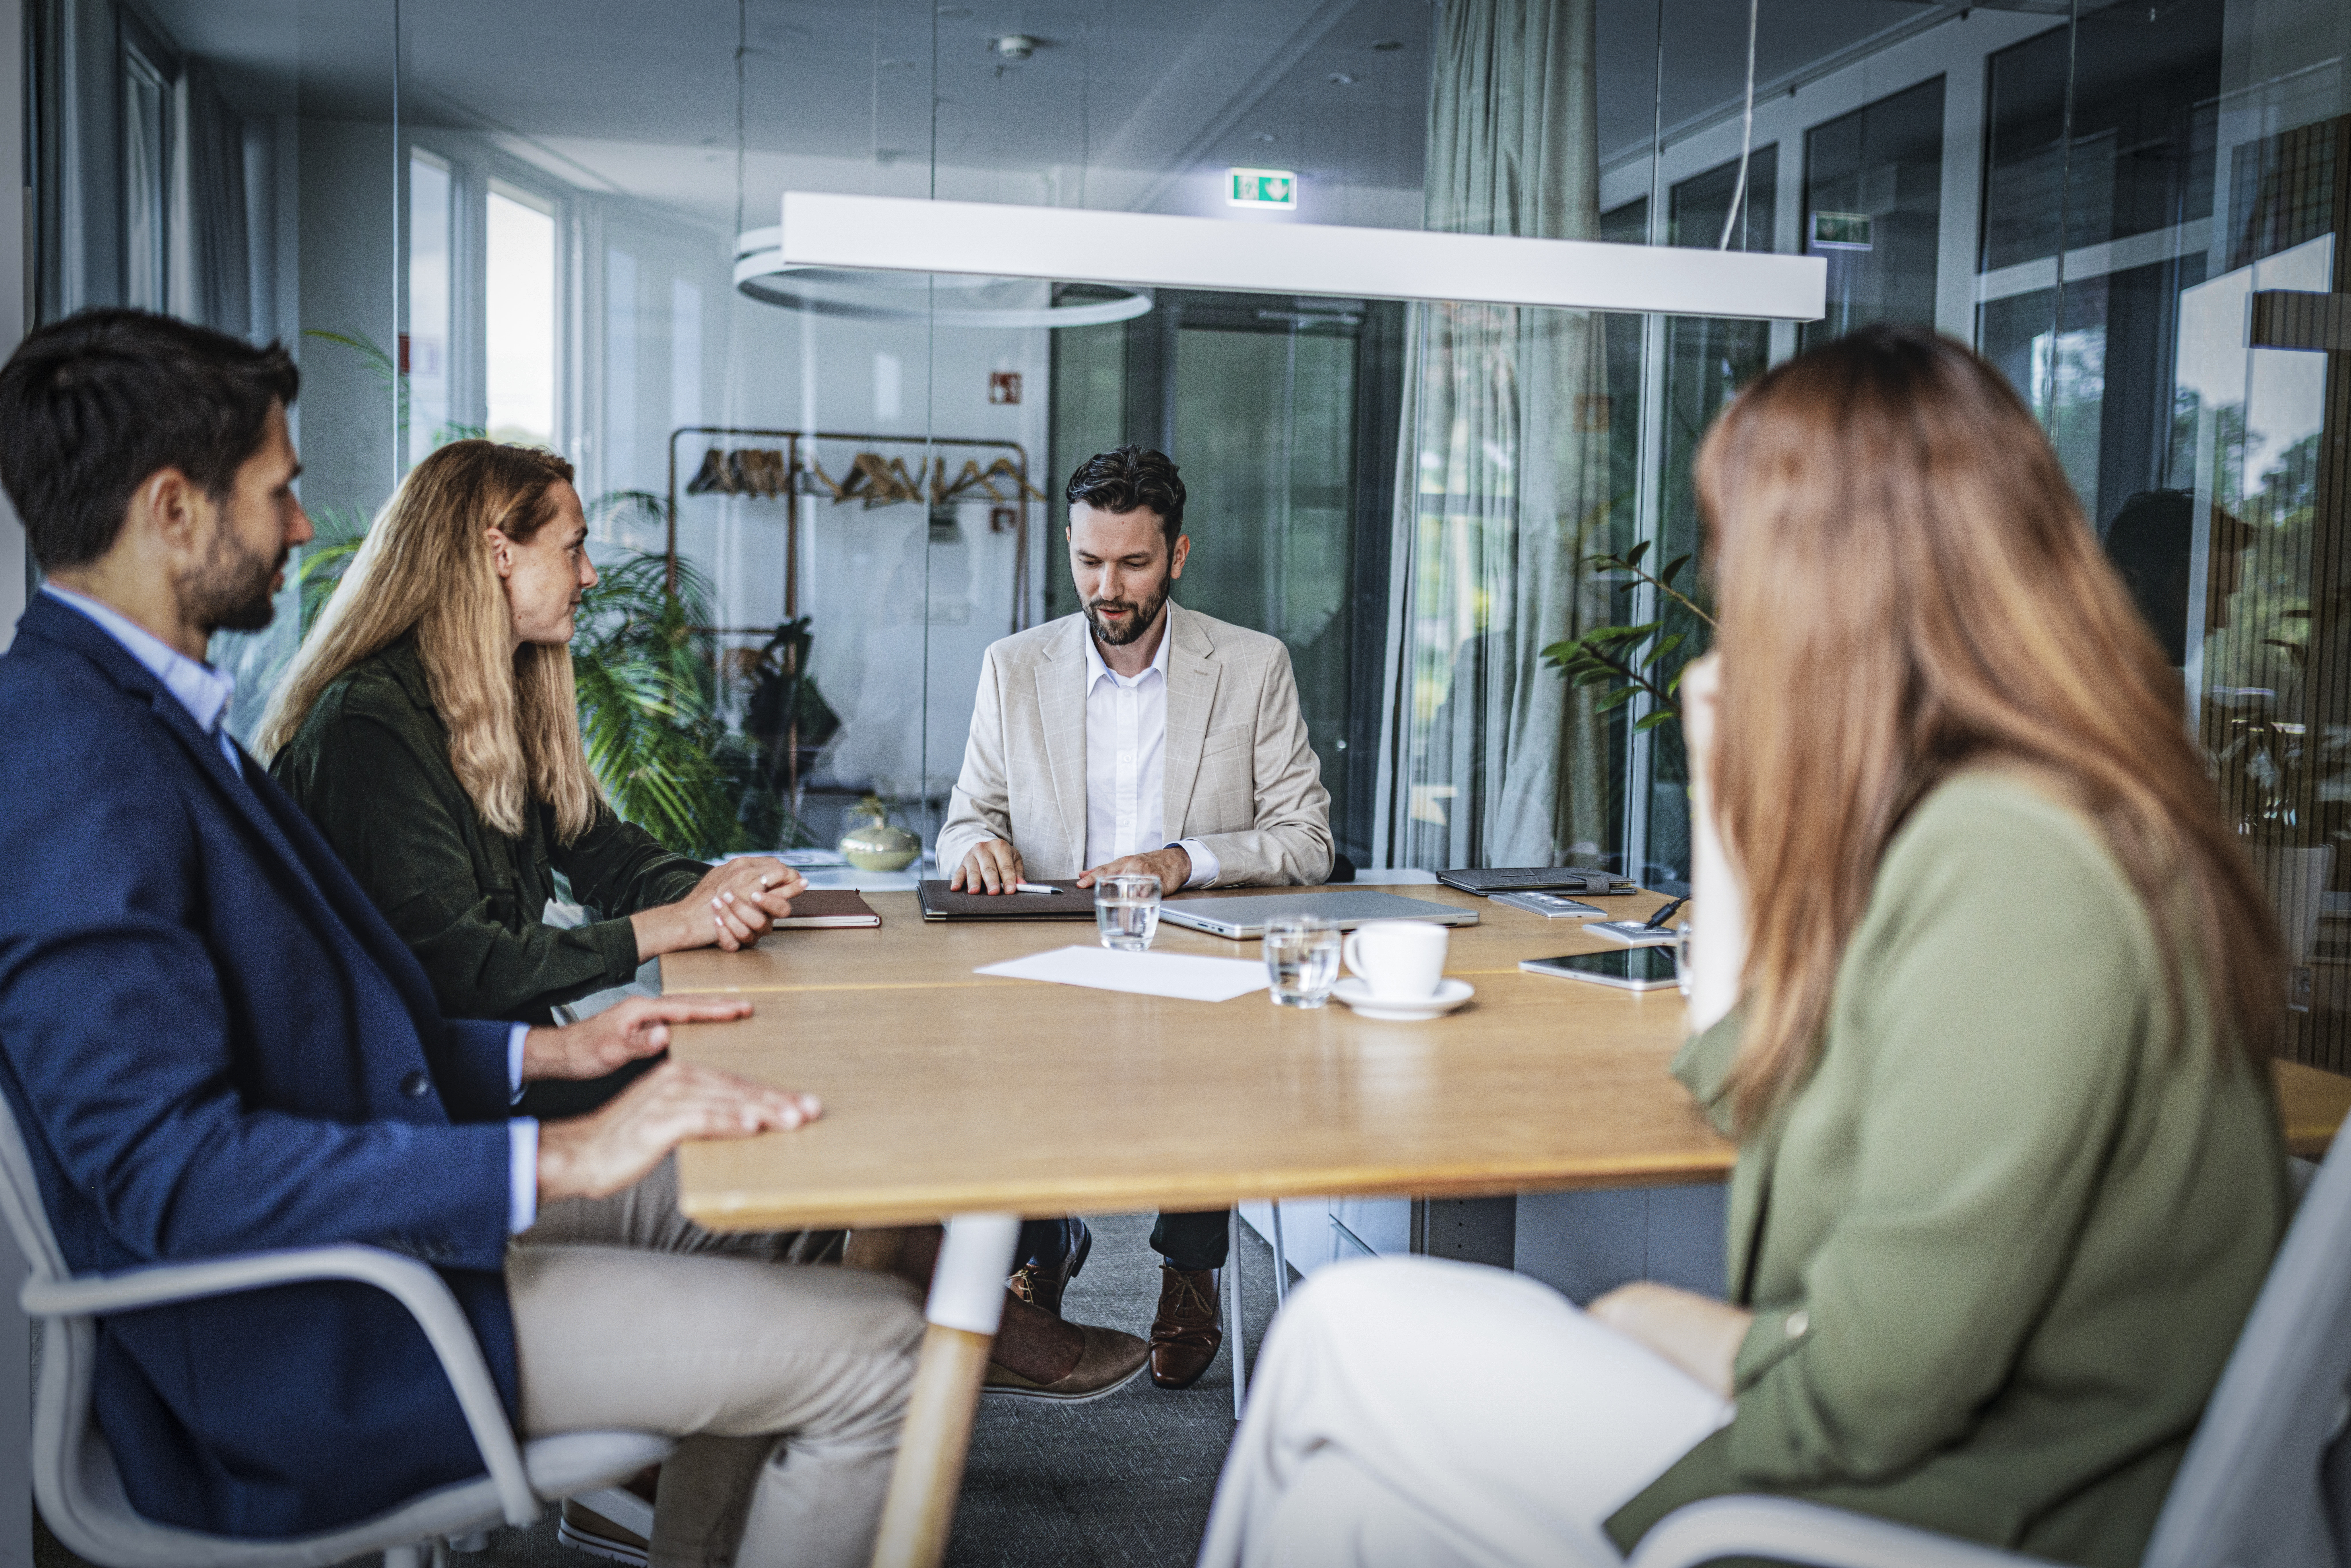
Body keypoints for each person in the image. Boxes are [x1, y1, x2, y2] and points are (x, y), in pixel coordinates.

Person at [1198, 325, 2290, 1568]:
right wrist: (1726, 795)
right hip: (1945, 1446)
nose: (1731, 604)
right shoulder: (2018, 808)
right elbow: (1745, 1069)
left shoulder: (2016, 861)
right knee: (1349, 1508)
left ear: (1832, 577)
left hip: (1965, 1498)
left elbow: (1869, 1387)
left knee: (1343, 1329)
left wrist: (1690, 1330)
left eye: (1744, 559)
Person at [0, 309, 926, 1568]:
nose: (300, 529)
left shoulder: (143, 715)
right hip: (321, 1325)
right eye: (276, 494)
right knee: (883, 1355)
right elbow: (170, 1173)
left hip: (389, 1222)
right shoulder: (71, 751)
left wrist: (543, 1063)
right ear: (172, 508)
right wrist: (560, 1158)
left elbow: (308, 1026)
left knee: (773, 1176)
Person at [253, 439, 1149, 1547]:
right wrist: (666, 928)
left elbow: (609, 853)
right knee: (811, 1192)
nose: (590, 574)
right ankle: (763, 1465)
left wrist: (719, 889)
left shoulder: (498, 693)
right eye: (573, 549)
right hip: (452, 1143)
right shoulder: (375, 725)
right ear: (496, 555)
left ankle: (696, 1525)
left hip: (499, 1098)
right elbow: (460, 965)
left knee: (811, 1174)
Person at [935, 445, 1335, 1390]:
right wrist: (975, 851)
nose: (1107, 589)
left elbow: (1306, 837)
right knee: (999, 1050)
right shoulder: (1014, 666)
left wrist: (1178, 861)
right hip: (1050, 953)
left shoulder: (1251, 666)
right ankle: (1042, 1243)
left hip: (1191, 951)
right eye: (1089, 562)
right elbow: (966, 819)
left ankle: (1190, 1268)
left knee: (1211, 1060)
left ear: (1179, 556)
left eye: (1133, 564)